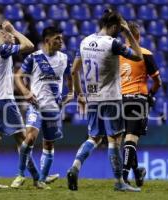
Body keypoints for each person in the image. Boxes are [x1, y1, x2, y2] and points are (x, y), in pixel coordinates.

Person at [66, 10, 143, 192]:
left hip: (92, 98)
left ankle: (74, 168)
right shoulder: (113, 44)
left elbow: (73, 70)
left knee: (94, 137)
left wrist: (80, 94)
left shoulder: (84, 42)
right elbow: (139, 56)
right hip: (111, 98)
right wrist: (128, 32)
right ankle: (119, 182)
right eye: (119, 27)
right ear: (115, 26)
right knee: (114, 139)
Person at [11, 26, 74, 189]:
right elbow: (18, 76)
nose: (61, 41)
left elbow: (70, 76)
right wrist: (25, 92)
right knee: (30, 138)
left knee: (49, 144)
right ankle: (20, 174)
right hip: (36, 106)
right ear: (47, 41)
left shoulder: (64, 58)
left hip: (54, 109)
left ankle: (41, 180)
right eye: (57, 39)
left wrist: (72, 92)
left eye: (61, 38)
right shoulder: (34, 57)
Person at [0, 20, 35, 189]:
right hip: (5, 101)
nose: (12, 37)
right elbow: (29, 45)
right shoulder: (3, 49)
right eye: (8, 34)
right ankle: (38, 177)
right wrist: (16, 30)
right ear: (2, 34)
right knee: (23, 138)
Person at [119, 22, 162, 187]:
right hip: (138, 99)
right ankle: (124, 177)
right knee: (131, 138)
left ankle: (137, 172)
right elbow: (158, 81)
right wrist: (151, 95)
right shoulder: (145, 53)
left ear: (125, 36)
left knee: (126, 139)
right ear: (139, 36)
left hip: (120, 100)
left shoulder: (118, 54)